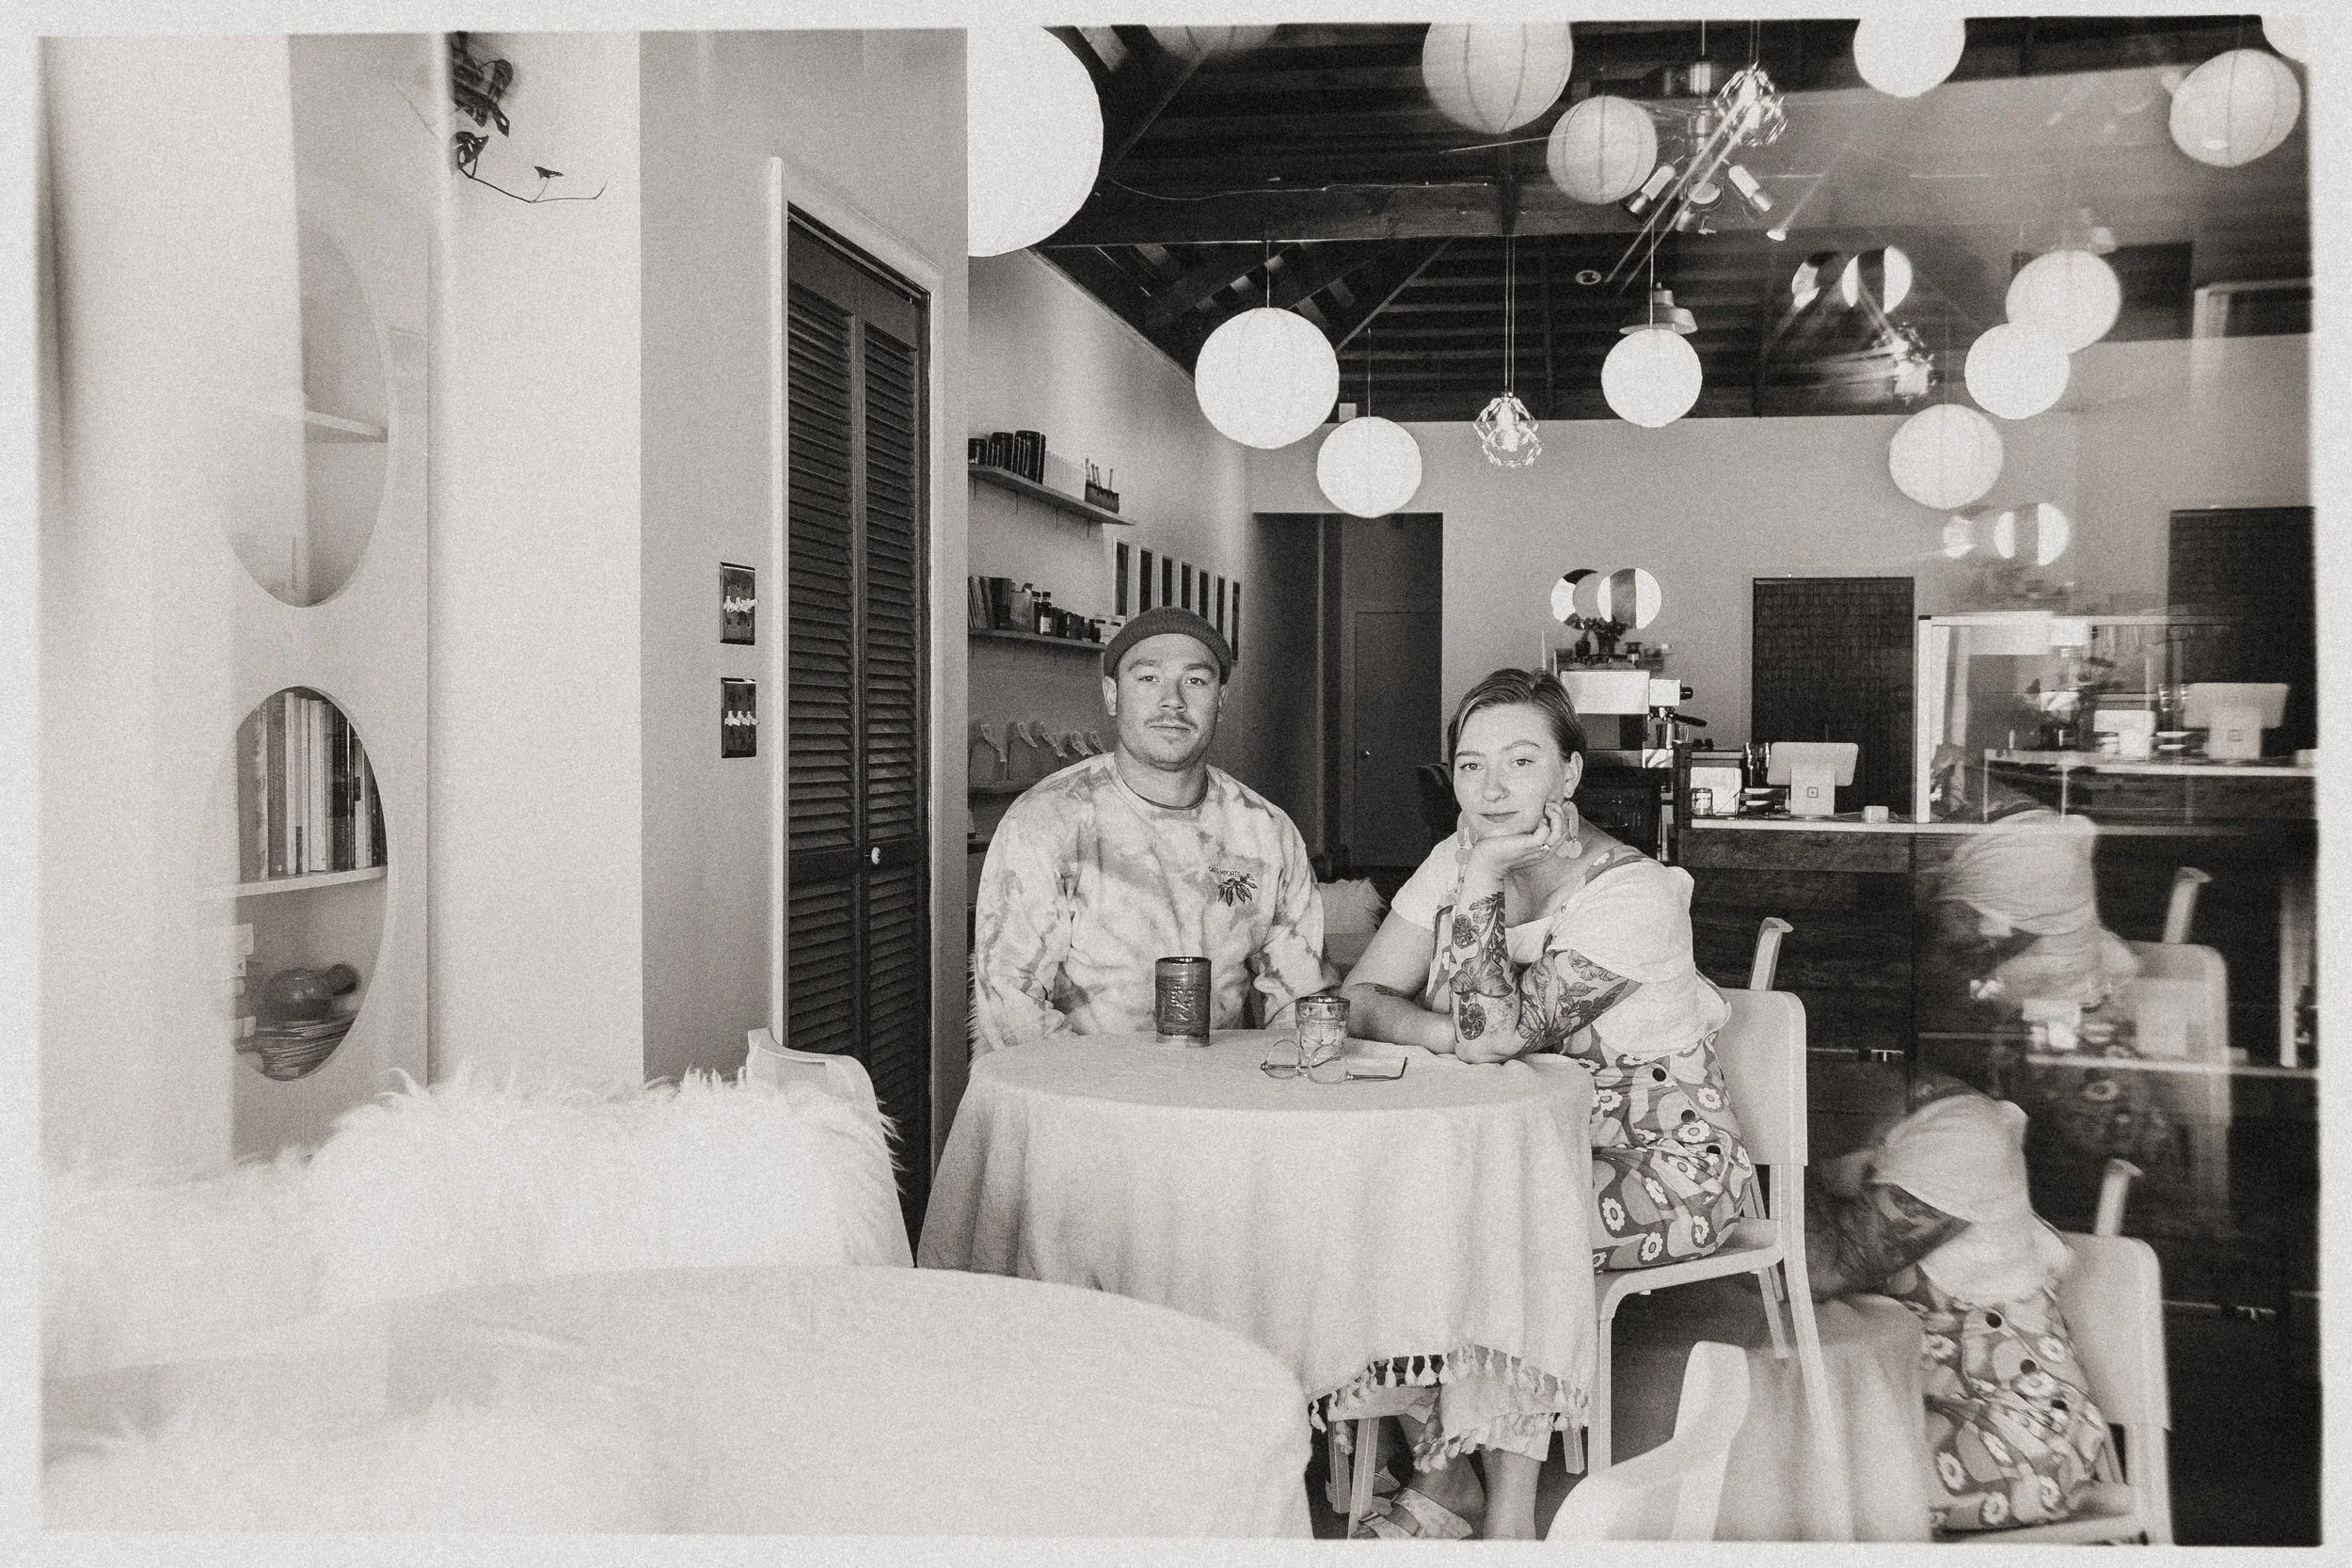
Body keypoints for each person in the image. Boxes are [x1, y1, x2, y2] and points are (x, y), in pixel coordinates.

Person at [1335, 667, 1753, 1540]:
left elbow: (1497, 1031)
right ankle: (1447, 1474)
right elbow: (1365, 993)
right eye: (1471, 763)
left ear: (1568, 776)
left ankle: (1510, 1525)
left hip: (1661, 1159)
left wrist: (1485, 874)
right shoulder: (1451, 855)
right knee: (1366, 1205)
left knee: (1502, 1224)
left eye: (1520, 761)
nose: (1490, 787)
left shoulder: (1634, 895)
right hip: (1505, 1141)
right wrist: (1445, 1034)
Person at [970, 606, 1332, 1053]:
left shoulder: (1265, 832)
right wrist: (1123, 1101)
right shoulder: (1046, 822)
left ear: (1220, 698)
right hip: (1080, 1098)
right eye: (1148, 679)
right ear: (1111, 695)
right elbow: (1011, 1001)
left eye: (1196, 681)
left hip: (1221, 1100)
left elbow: (1301, 999)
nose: (1173, 701)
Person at [1805, 1069, 2110, 1533]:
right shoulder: (1845, 1111)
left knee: (1803, 1486)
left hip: (2013, 1432)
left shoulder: (1962, 1133)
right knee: (1779, 1458)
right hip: (1900, 1409)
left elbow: (1826, 1267)